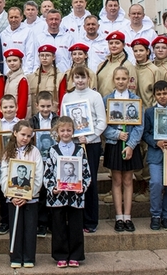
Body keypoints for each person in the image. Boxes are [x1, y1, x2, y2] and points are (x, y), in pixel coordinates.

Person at [59, 65, 106, 233]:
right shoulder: (67, 97)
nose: (80, 81)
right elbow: (63, 120)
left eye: (83, 77)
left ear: (88, 78)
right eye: (77, 77)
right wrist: (69, 136)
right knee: (72, 179)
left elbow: (102, 121)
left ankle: (90, 220)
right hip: (72, 144)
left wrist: (90, 137)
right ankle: (73, 218)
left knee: (90, 180)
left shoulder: (95, 96)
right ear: (72, 79)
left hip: (90, 144)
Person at [43, 116, 91, 268]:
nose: (65, 133)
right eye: (62, 130)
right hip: (58, 196)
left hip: (75, 196)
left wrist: (83, 186)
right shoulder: (52, 151)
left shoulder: (79, 150)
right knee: (58, 226)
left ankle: (76, 255)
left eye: (68, 130)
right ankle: (61, 255)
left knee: (76, 226)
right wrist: (52, 188)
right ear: (57, 132)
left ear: (73, 131)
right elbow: (48, 173)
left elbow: (86, 172)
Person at [101, 66, 143, 232]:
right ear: (113, 80)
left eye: (123, 79)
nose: (120, 81)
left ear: (129, 80)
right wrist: (116, 134)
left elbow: (139, 126)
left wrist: (131, 145)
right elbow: (103, 125)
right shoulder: (107, 100)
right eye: (117, 79)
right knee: (116, 180)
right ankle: (119, 216)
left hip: (130, 143)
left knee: (128, 180)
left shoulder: (135, 99)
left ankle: (128, 216)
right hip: (115, 143)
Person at [0, 120, 43, 268]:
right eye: (22, 134)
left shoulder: (35, 152)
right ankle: (16, 256)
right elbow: (4, 174)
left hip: (30, 198)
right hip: (13, 198)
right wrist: (11, 195)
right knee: (16, 227)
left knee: (30, 228)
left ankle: (29, 257)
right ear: (15, 133)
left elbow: (38, 175)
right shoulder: (8, 152)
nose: (25, 138)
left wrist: (28, 195)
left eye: (29, 136)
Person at [142, 80, 167, 230]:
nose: (162, 97)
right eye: (158, 94)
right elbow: (145, 133)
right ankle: (155, 215)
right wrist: (155, 142)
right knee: (156, 183)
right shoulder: (149, 112)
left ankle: (166, 217)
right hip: (156, 155)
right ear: (154, 96)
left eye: (164, 93)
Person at [30, 91, 58, 237]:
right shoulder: (32, 121)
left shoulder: (58, 120)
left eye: (48, 106)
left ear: (53, 105)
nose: (46, 109)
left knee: (52, 191)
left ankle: (53, 223)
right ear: (37, 106)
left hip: (54, 161)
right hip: (39, 161)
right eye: (42, 106)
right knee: (40, 193)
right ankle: (41, 223)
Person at [95, 31, 136, 98]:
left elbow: (131, 90)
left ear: (123, 45)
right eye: (111, 43)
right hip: (102, 103)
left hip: (118, 104)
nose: (113, 46)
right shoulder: (102, 65)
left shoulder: (127, 65)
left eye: (117, 43)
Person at [0, 6, 36, 74]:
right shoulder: (3, 34)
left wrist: (27, 72)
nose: (13, 20)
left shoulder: (28, 32)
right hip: (7, 73)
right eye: (11, 17)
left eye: (16, 17)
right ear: (7, 18)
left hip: (22, 73)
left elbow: (30, 54)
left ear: (21, 17)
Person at [30, 45, 64, 112]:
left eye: (47, 55)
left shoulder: (60, 77)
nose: (44, 58)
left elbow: (62, 100)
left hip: (53, 117)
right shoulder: (31, 78)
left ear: (53, 57)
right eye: (42, 55)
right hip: (35, 117)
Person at [3, 49, 30, 118]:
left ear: (20, 62)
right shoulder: (8, 78)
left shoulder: (22, 79)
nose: (12, 63)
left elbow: (22, 103)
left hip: (17, 118)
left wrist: (19, 118)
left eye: (15, 60)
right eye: (9, 61)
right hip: (9, 116)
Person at [152, 36, 167, 101]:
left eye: (163, 48)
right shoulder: (150, 66)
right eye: (157, 47)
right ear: (153, 50)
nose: (160, 50)